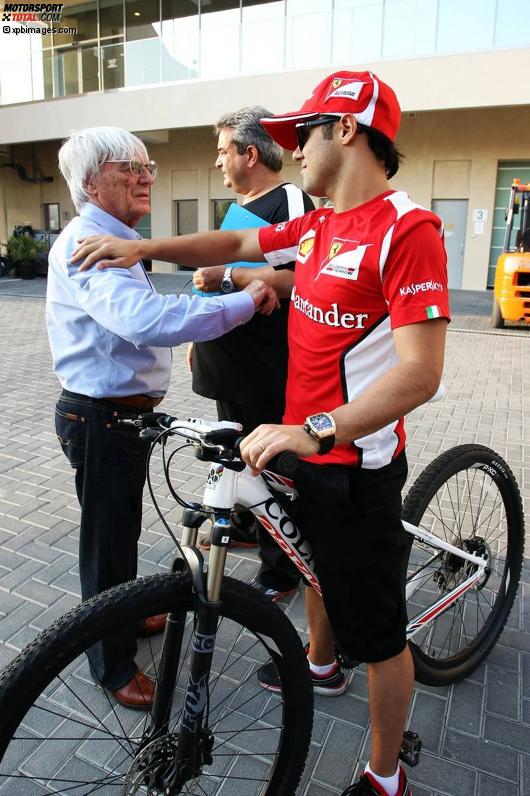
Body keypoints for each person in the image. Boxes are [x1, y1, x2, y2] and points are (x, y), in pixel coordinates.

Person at [71, 69, 449, 796]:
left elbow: (421, 372)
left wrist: (316, 429)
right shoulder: (319, 224)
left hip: (353, 465)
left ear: (347, 129)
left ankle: (385, 773)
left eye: (303, 132)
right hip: (299, 444)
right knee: (308, 561)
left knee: (381, 637)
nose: (293, 147)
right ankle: (317, 662)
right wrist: (144, 251)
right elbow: (237, 246)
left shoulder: (409, 230)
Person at [46, 126, 277, 711]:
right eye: (132, 167)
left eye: (148, 166)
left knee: (121, 527)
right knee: (106, 542)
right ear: (91, 181)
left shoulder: (117, 237)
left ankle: (123, 618)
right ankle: (111, 663)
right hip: (99, 416)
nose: (147, 177)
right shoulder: (89, 242)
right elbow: (148, 321)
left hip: (119, 416)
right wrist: (246, 301)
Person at [190, 106, 314, 601]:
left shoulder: (288, 199)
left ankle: (282, 569)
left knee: (270, 462)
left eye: (223, 151)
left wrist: (232, 277)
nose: (218, 162)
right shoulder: (243, 204)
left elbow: (306, 277)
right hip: (230, 365)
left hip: (265, 368)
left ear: (250, 152)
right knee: (236, 451)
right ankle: (246, 524)